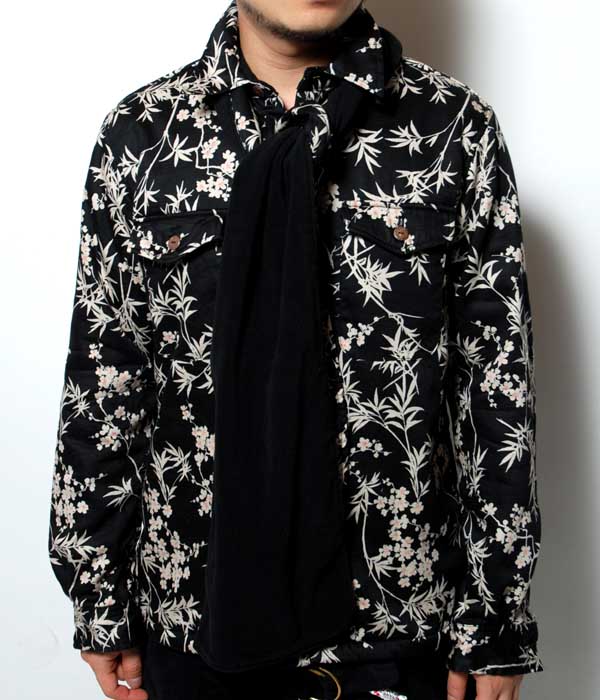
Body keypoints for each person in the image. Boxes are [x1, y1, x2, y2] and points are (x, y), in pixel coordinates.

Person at [47, 0, 544, 698]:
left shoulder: (454, 129)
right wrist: (99, 597)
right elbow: (106, 379)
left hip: (396, 630)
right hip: (194, 623)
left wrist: (495, 622)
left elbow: (495, 388)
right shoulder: (143, 135)